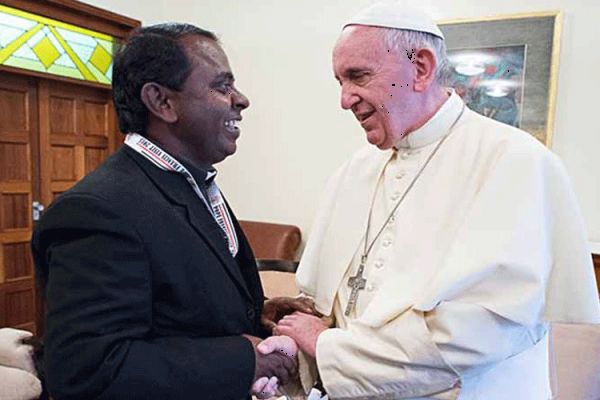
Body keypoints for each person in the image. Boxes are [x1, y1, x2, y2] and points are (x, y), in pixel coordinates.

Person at [274, 2, 600, 399]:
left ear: (422, 67)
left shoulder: (515, 162)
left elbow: (476, 335)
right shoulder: (355, 171)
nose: (345, 99)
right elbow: (331, 307)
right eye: (340, 81)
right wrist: (296, 340)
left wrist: (326, 348)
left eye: (358, 76)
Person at [31, 23, 303, 400]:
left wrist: (259, 312)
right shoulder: (96, 211)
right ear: (162, 102)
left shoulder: (191, 183)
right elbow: (87, 370)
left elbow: (175, 304)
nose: (241, 100)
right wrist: (245, 359)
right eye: (222, 86)